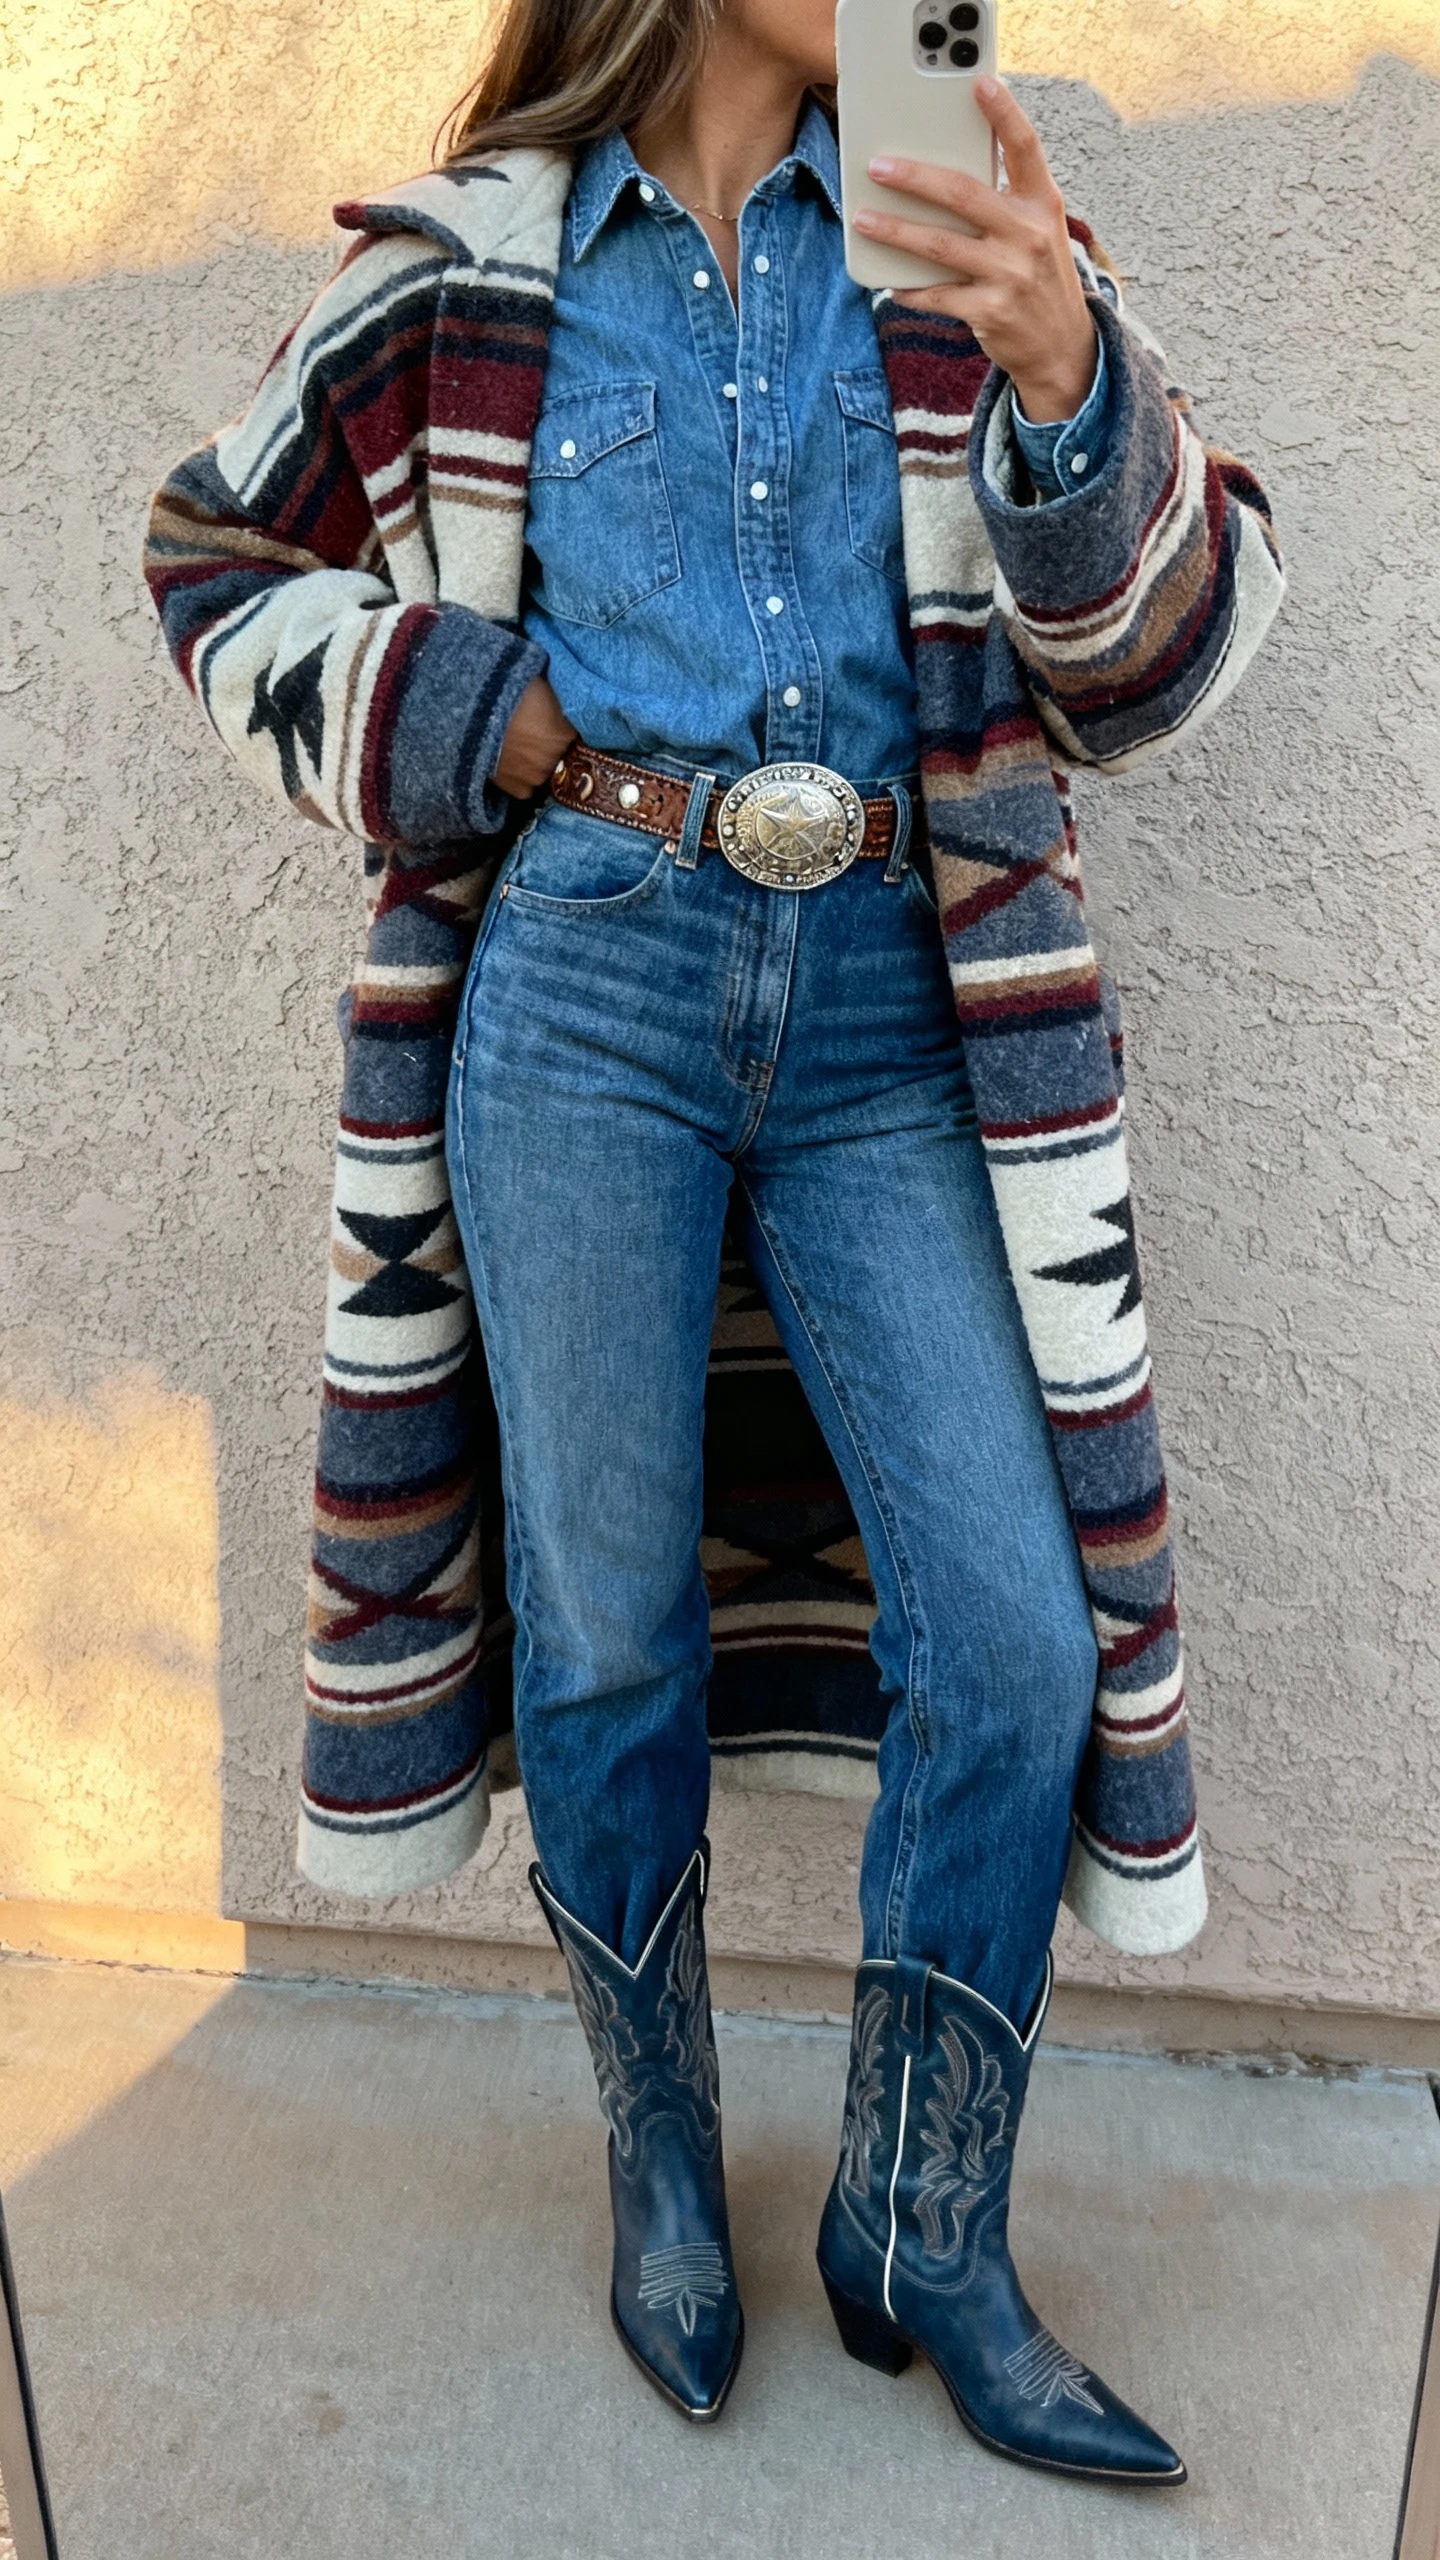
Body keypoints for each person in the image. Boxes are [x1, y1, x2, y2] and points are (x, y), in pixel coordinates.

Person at [144, 0, 1283, 2484]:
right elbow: (213, 548)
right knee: (608, 1614)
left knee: (1009, 1624)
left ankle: (919, 2223)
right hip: (590, 992)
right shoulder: (475, 270)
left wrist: (1069, 369)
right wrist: (482, 712)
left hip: (896, 1004)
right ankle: (663, 2155)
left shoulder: (964, 218)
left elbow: (1162, 662)